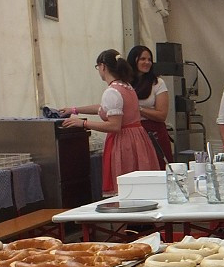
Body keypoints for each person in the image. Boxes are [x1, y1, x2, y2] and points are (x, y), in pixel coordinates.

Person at [61, 50, 159, 196]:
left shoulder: (112, 91)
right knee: (139, 187)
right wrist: (75, 109)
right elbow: (103, 108)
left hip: (124, 143)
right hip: (137, 139)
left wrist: (83, 124)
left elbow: (114, 126)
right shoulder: (126, 86)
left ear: (103, 67)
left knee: (126, 189)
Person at [127, 45, 173, 168]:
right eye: (142, 59)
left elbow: (162, 115)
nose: (147, 62)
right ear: (133, 60)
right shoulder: (124, 83)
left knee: (159, 168)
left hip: (154, 133)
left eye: (149, 59)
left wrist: (138, 109)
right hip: (131, 134)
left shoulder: (157, 83)